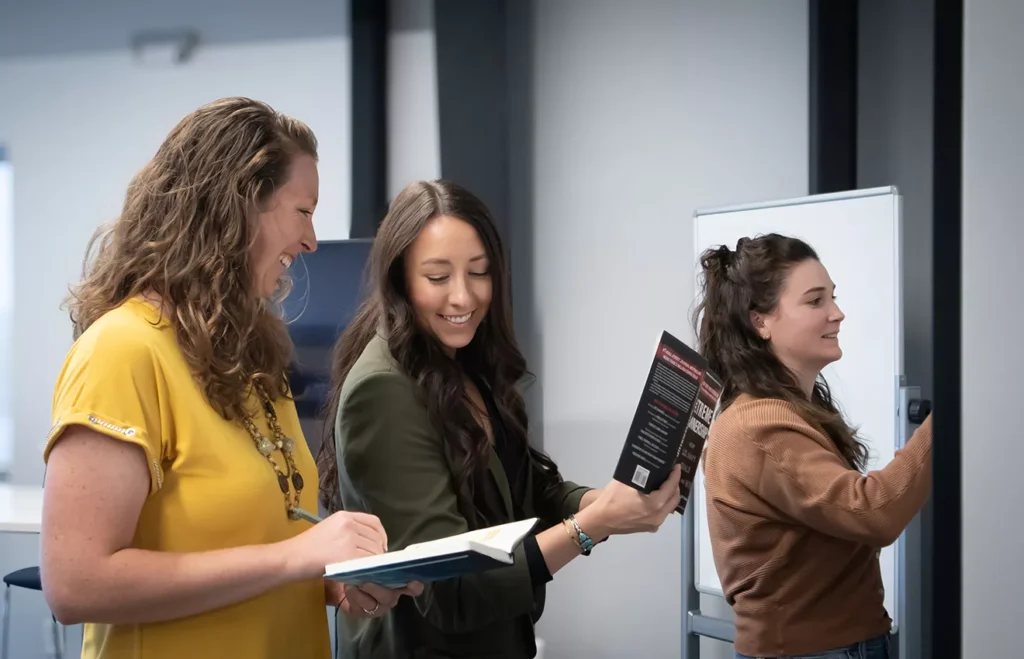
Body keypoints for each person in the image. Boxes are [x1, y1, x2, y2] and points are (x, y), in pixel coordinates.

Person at [39, 97, 419, 659]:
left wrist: (337, 579)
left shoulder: (249, 358)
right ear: (238, 206)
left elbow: (259, 548)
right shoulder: (123, 351)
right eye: (303, 211)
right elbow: (76, 584)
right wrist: (297, 558)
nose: (312, 241)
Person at [315, 179, 682, 658]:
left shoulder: (463, 359)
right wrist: (592, 526)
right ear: (400, 280)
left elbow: (524, 486)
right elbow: (453, 590)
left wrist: (606, 502)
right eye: (438, 277)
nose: (464, 298)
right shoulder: (382, 390)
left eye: (479, 272)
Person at [694, 234, 932, 659]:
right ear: (760, 321)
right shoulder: (758, 426)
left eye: (833, 298)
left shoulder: (783, 409)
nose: (837, 314)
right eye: (815, 301)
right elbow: (874, 511)